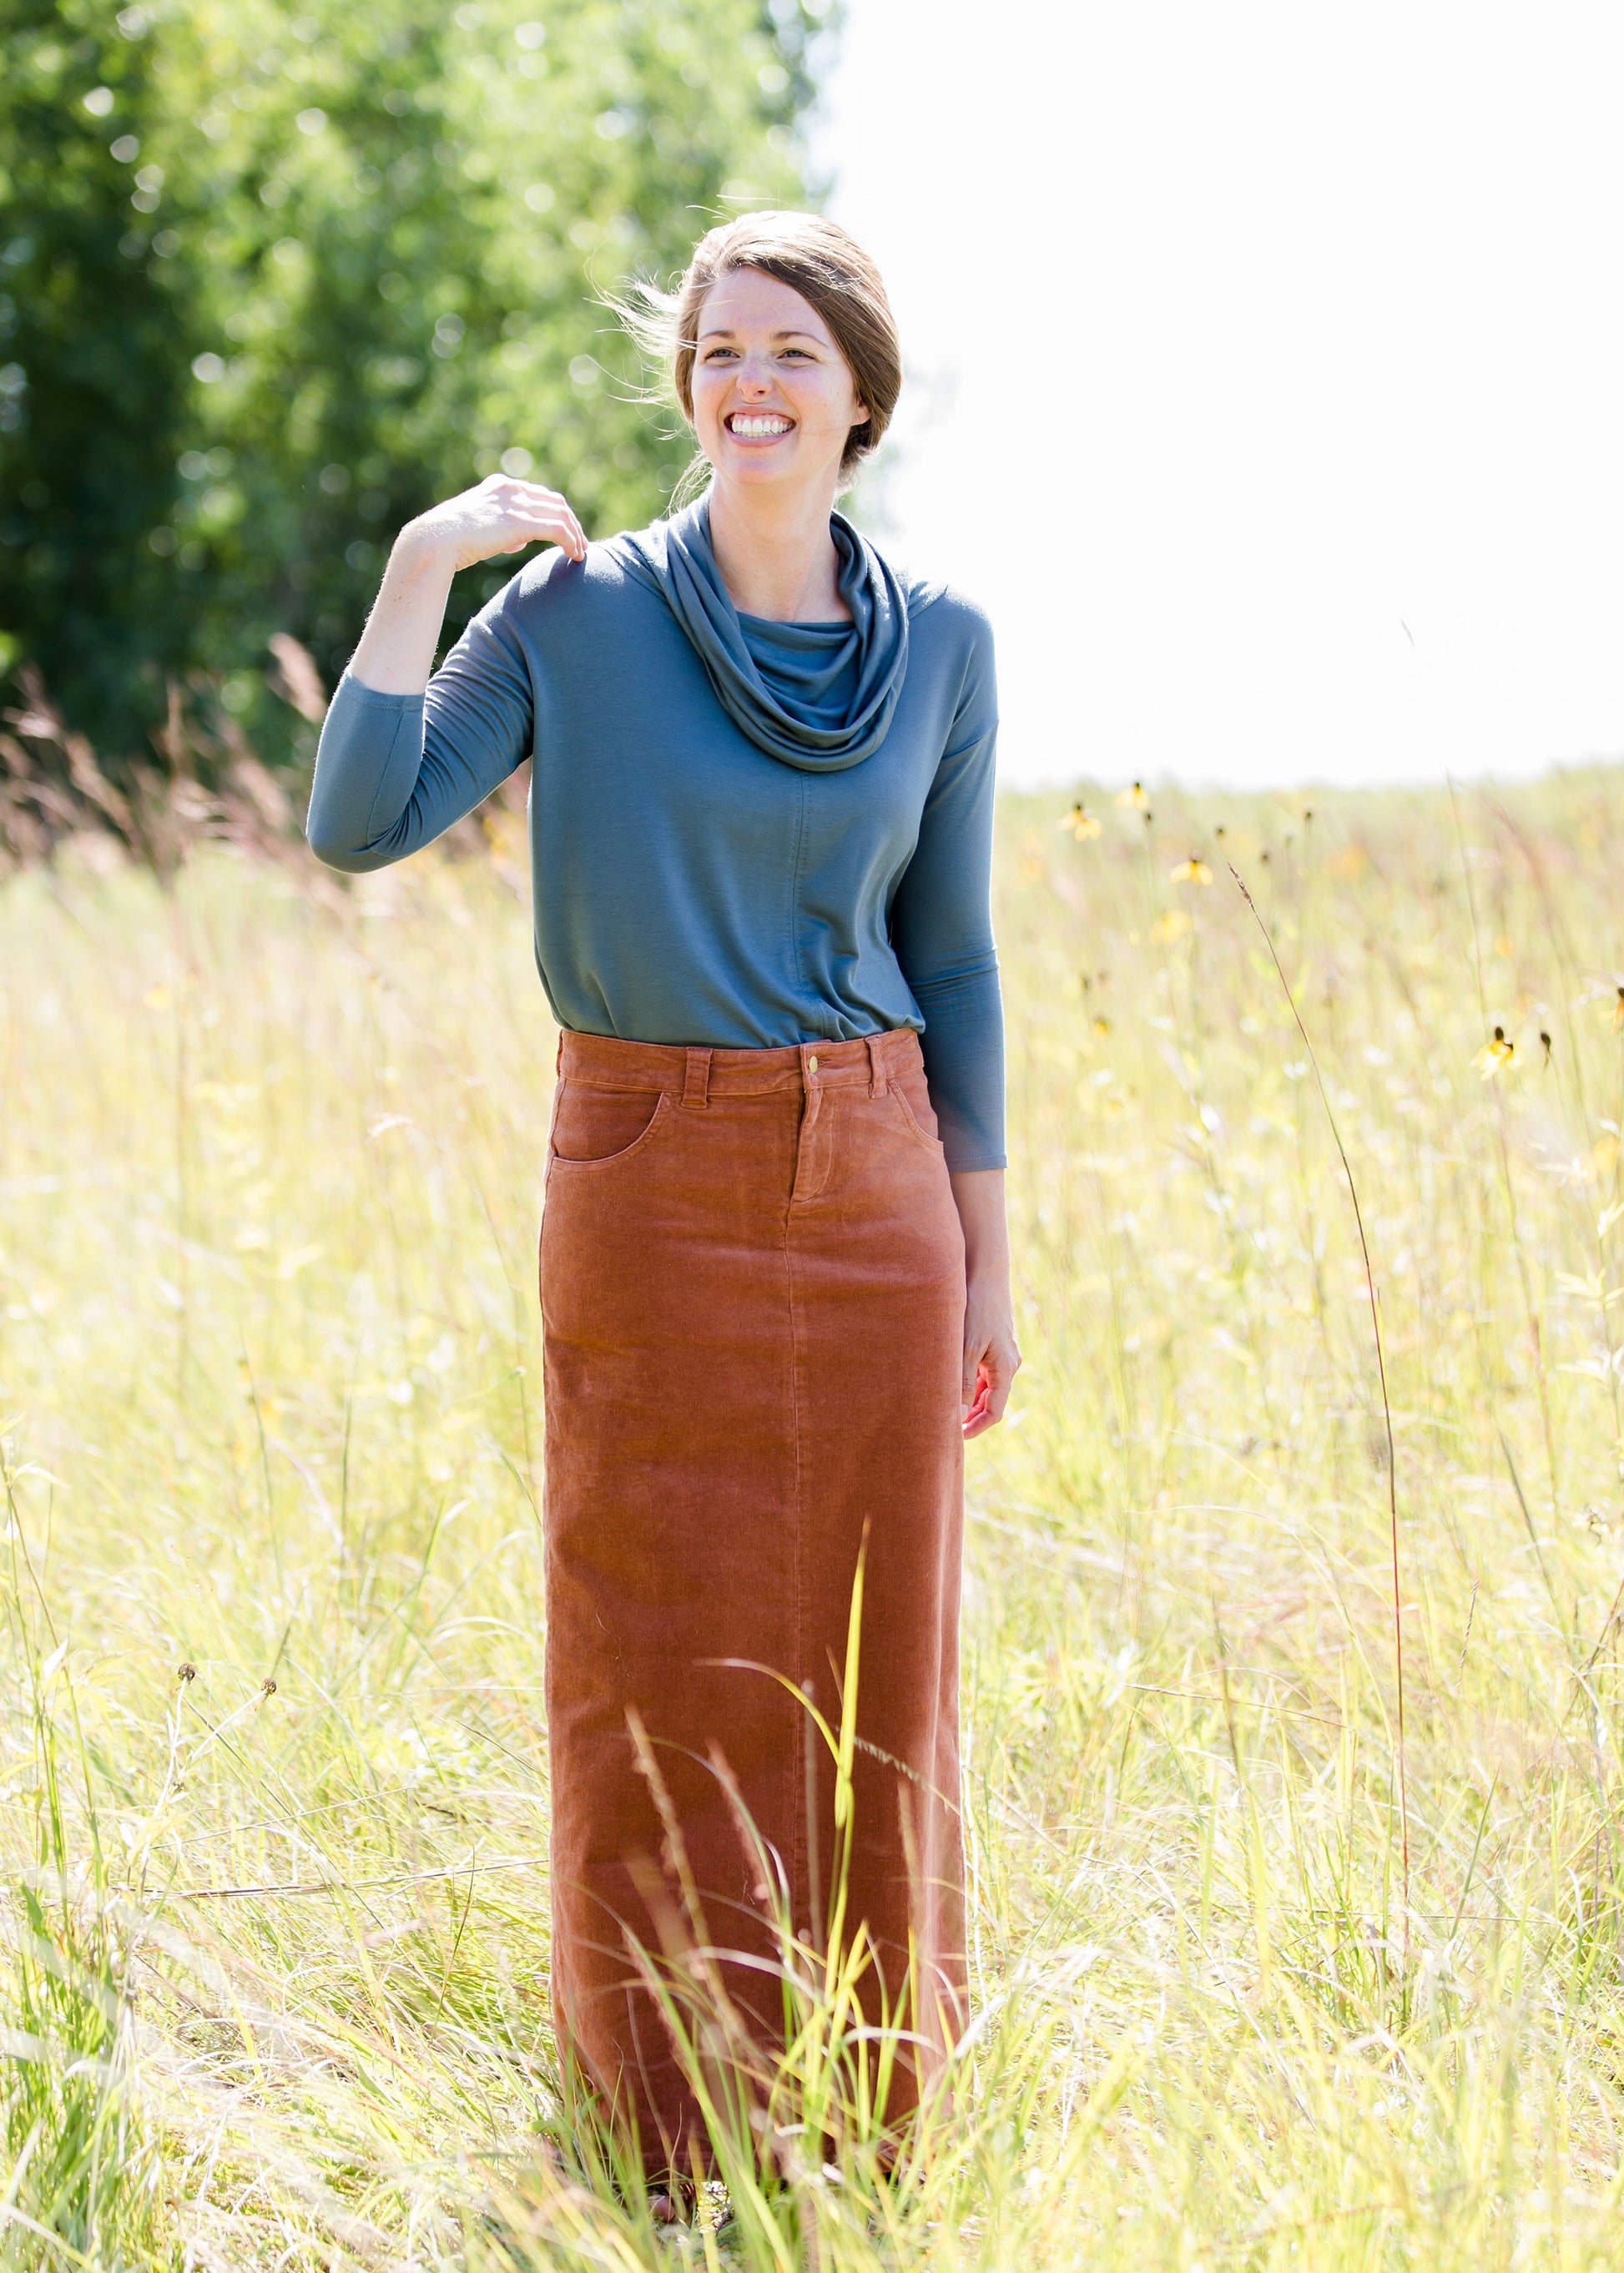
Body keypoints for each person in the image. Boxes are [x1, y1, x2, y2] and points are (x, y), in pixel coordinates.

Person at [306, 210, 1018, 2209]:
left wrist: (988, 1247)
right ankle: (657, 2144)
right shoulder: (577, 616)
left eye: (790, 347)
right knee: (647, 1656)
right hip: (645, 1172)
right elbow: (358, 822)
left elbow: (949, 959)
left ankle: (866, 2140)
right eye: (718, 350)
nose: (749, 381)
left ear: (859, 390)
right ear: (685, 387)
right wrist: (419, 567)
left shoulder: (942, 642)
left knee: (881, 1668)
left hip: (879, 1179)